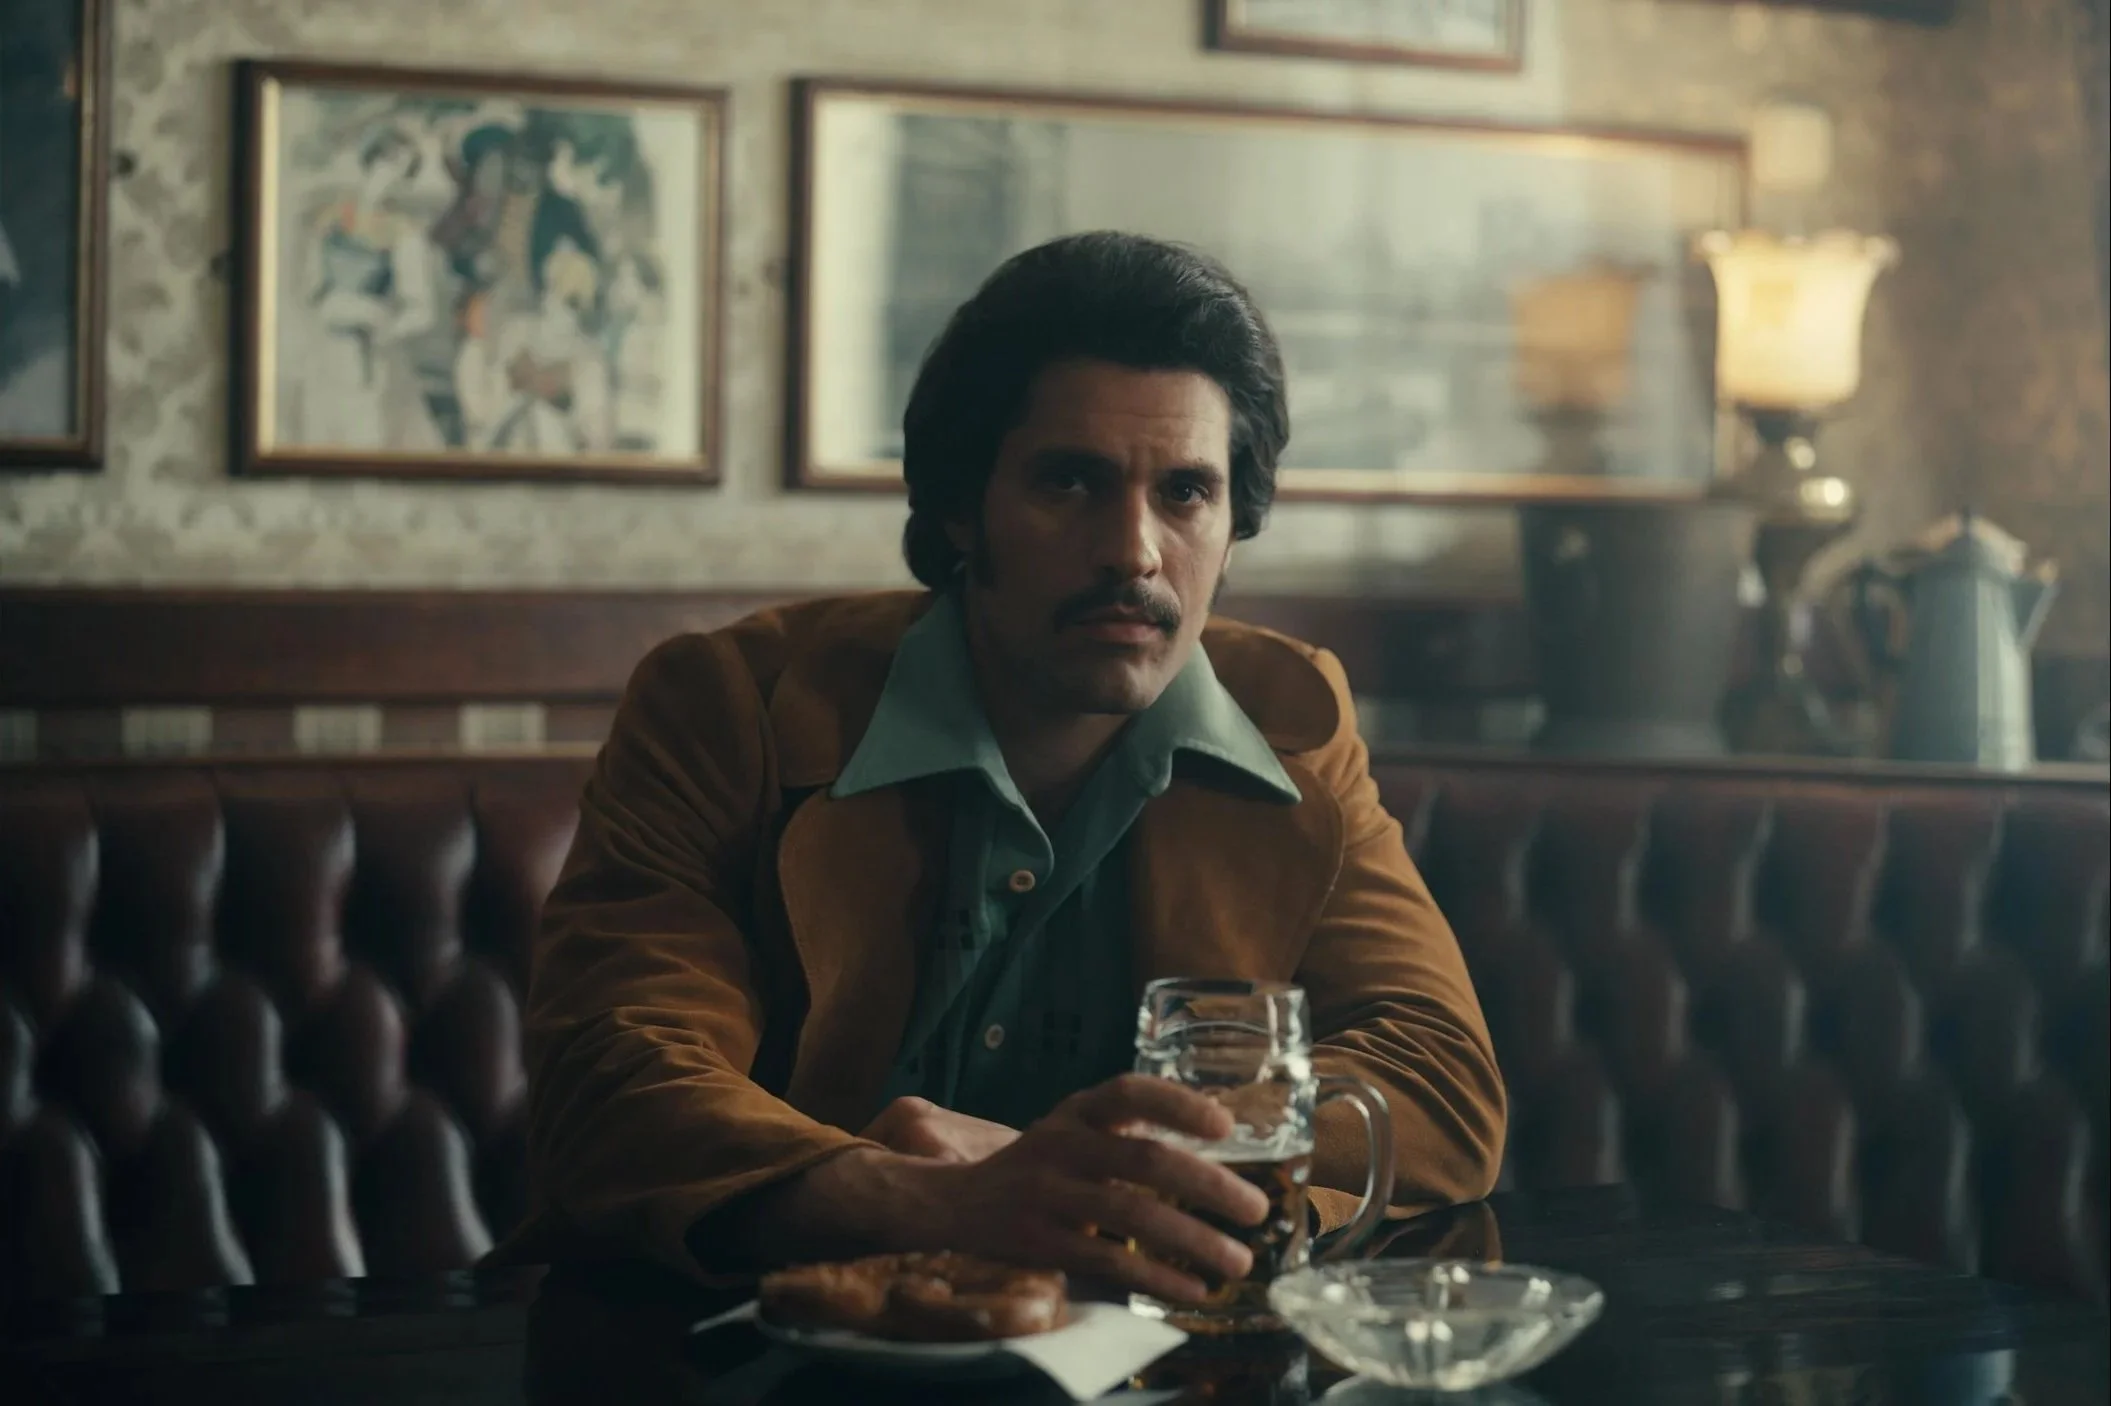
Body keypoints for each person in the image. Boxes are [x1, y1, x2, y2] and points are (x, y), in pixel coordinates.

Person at [511, 232, 1505, 1304]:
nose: (1132, 551)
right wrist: (920, 1198)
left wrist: (1106, 1172)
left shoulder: (1295, 719)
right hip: (719, 1339)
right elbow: (615, 1077)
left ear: (1233, 526)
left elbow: (1439, 1083)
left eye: (1184, 492)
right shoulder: (725, 706)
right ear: (959, 506)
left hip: (1146, 1355)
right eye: (1069, 482)